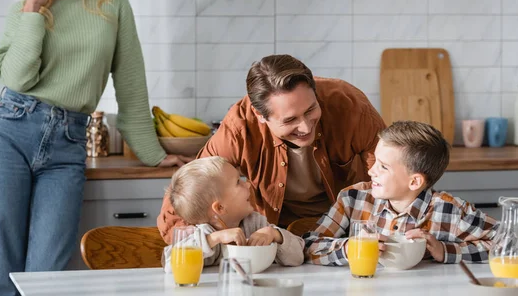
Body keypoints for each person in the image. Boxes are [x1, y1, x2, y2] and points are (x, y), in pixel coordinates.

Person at [0, 0, 191, 296]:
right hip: (10, 133)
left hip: (67, 146)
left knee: (48, 275)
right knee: (3, 265)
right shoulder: (24, 10)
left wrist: (152, 153)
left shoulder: (112, 2)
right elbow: (18, 78)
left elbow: (130, 79)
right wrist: (34, 8)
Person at [158, 54, 386, 243]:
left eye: (310, 110)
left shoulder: (348, 104)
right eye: (290, 120)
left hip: (346, 231)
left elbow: (391, 174)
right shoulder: (238, 129)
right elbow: (185, 198)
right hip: (273, 235)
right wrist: (205, 239)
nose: (305, 127)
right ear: (260, 116)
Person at [304, 121, 499, 266]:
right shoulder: (353, 199)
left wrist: (444, 250)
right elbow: (309, 246)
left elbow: (508, 245)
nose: (371, 171)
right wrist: (348, 249)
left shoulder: (450, 210)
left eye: (383, 167)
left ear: (414, 181)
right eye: (375, 162)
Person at [162, 156, 304, 271]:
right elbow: (170, 264)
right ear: (220, 208)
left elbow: (297, 257)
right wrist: (213, 239)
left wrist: (275, 234)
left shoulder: (256, 223)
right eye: (238, 182)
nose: (247, 184)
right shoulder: (202, 234)